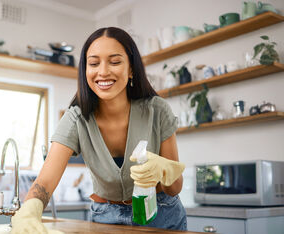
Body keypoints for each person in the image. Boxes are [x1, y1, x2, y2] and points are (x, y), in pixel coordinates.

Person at [10, 27, 187, 233]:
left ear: (131, 69)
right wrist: (30, 209)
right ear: (85, 70)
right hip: (105, 219)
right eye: (94, 63)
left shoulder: (157, 110)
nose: (103, 71)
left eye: (115, 61)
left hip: (161, 216)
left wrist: (164, 168)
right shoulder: (76, 118)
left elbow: (174, 189)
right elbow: (45, 181)